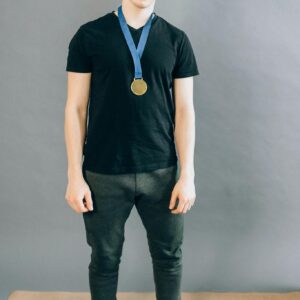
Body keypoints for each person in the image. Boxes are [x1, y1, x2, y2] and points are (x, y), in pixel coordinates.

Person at [64, 0, 199, 299]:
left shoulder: (177, 39)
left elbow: (185, 111)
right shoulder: (89, 36)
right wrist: (75, 175)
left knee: (169, 259)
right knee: (104, 261)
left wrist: (187, 174)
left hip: (162, 172)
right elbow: (75, 108)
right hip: (103, 173)